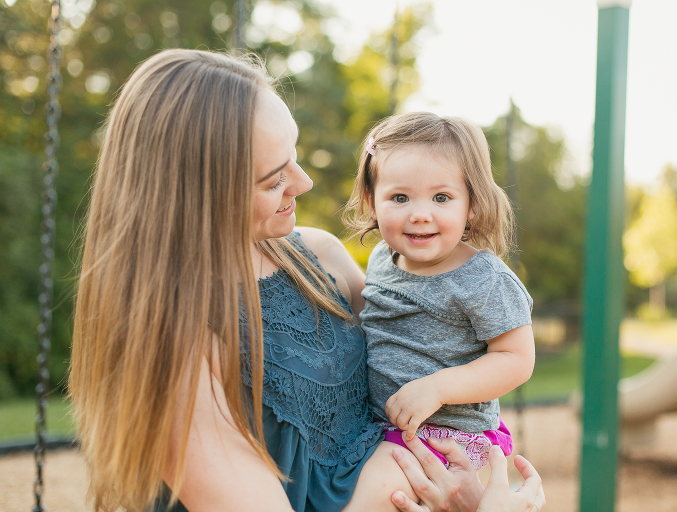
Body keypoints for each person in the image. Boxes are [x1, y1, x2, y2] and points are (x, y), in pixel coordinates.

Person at [68, 49, 544, 512]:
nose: (304, 182)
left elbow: (436, 346)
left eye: (293, 155)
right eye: (274, 178)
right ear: (202, 192)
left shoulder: (320, 256)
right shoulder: (173, 344)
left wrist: (461, 486)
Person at [344, 113, 536, 471]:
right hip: (377, 426)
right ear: (372, 202)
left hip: (446, 435)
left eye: (441, 198)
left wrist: (438, 388)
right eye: (400, 197)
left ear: (472, 205)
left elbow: (517, 359)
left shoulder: (484, 278)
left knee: (374, 492)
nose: (420, 214)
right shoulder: (382, 259)